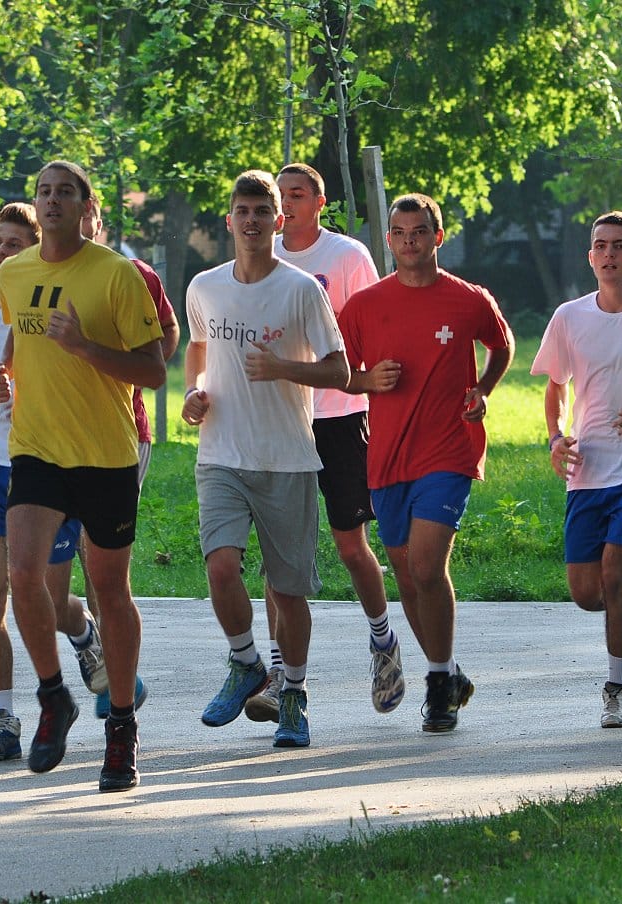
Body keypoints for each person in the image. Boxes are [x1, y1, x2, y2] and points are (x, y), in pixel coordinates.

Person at [0, 160, 165, 792]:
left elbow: (152, 371)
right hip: (37, 448)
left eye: (66, 192)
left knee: (109, 592)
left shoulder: (116, 275)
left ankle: (121, 726)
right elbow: (19, 339)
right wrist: (5, 374)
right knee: (23, 572)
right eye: (44, 191)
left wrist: (87, 346)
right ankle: (52, 696)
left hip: (106, 454)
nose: (53, 200)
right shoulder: (15, 271)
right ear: (35, 204)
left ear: (85, 204)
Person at [0, 203, 108, 764]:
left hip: (47, 462)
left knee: (51, 603)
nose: (0, 253)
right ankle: (3, 720)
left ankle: (82, 635)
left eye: (12, 244)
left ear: (33, 249)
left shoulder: (50, 307)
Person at [182, 169, 349, 749]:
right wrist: (193, 394)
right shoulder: (204, 287)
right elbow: (198, 348)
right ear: (228, 220)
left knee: (286, 591)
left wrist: (282, 368)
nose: (251, 220)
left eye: (263, 211)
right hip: (221, 454)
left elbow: (340, 370)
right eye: (241, 211)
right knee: (221, 566)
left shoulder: (302, 289)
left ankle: (295, 696)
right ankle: (246, 661)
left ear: (279, 221)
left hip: (288, 459)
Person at [338, 192, 513, 733]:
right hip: (387, 456)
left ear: (439, 236)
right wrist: (366, 381)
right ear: (388, 240)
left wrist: (482, 388)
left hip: (449, 449)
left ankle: (438, 685)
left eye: (419, 231)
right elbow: (339, 370)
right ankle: (452, 670)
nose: (408, 241)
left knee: (426, 566)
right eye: (398, 232)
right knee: (409, 579)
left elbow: (501, 346)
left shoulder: (467, 299)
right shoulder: (364, 305)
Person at [244, 162, 397, 724]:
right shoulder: (262, 259)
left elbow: (375, 325)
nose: (287, 203)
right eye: (280, 196)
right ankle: (279, 668)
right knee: (278, 551)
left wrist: (370, 385)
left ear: (319, 201)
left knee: (350, 542)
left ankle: (382, 642)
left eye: (298, 194)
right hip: (282, 417)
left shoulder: (347, 257)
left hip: (338, 414)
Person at [530, 211, 622, 728]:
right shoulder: (569, 317)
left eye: (620, 246)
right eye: (600, 246)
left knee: (614, 569)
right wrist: (557, 438)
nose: (609, 255)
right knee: (586, 593)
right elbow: (555, 388)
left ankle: (618, 689)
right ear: (590, 257)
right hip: (588, 468)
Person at [77, 195, 179, 719]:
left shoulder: (132, 273)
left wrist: (135, 368)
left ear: (99, 220)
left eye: (84, 214)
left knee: (101, 558)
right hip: (49, 438)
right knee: (65, 559)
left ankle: (119, 673)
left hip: (121, 433)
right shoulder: (36, 273)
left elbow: (168, 330)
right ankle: (97, 649)